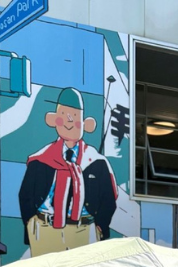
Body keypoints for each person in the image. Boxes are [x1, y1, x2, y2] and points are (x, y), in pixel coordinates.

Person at [17, 87, 118, 257]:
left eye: (75, 117)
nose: (69, 121)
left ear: (87, 124)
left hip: (84, 229)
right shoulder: (40, 159)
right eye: (63, 115)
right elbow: (25, 194)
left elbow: (108, 199)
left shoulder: (96, 162)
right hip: (44, 229)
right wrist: (31, 222)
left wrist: (100, 227)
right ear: (53, 120)